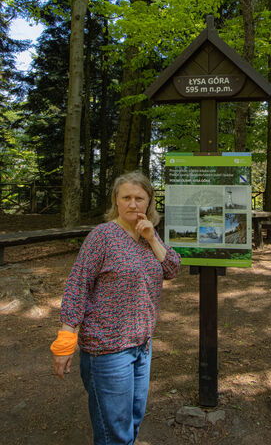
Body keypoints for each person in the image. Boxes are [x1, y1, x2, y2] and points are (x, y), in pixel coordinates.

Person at [50, 171, 181, 444]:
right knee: (114, 432)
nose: (133, 204)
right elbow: (78, 286)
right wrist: (66, 339)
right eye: (126, 198)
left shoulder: (149, 235)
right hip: (107, 350)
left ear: (148, 202)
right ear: (116, 202)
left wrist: (151, 238)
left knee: (133, 419)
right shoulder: (102, 236)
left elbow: (172, 268)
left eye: (139, 198)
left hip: (142, 345)